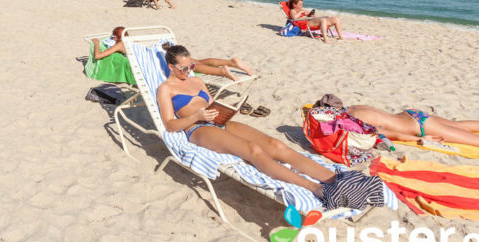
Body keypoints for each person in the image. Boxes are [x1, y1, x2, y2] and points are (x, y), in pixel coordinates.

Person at [158, 43, 347, 199]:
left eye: (191, 66)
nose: (189, 71)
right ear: (171, 67)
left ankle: (334, 178)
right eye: (184, 68)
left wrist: (229, 108)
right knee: (253, 150)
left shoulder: (197, 81)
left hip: (219, 120)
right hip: (198, 129)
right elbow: (169, 124)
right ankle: (315, 188)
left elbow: (212, 104)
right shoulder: (166, 89)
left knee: (276, 145)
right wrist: (195, 117)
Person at [331, 97, 479, 161]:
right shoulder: (353, 106)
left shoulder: (352, 120)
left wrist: (420, 139)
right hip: (412, 114)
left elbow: (387, 134)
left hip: (419, 126)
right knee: (458, 126)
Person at [93, 27, 252, 80]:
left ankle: (222, 71)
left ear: (116, 37)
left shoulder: (120, 44)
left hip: (154, 58)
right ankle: (231, 62)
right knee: (197, 61)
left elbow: (99, 56)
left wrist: (96, 44)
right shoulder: (132, 41)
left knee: (192, 66)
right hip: (158, 50)